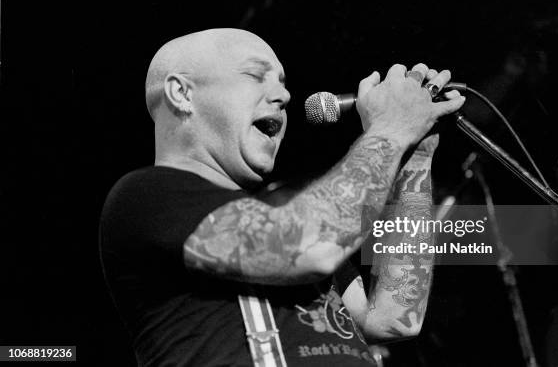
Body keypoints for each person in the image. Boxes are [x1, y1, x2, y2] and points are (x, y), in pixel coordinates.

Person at [99, 28, 465, 366]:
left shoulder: (286, 216)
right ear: (182, 93)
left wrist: (415, 153)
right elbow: (311, 245)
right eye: (255, 76)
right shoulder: (147, 197)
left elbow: (395, 318)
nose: (284, 95)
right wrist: (390, 128)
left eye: (282, 82)